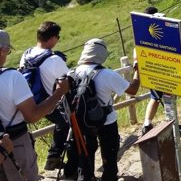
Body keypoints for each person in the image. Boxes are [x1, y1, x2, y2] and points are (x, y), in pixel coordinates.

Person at [0, 29, 70, 181]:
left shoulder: (27, 54)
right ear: (3, 50)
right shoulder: (11, 77)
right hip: (15, 142)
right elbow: (32, 116)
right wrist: (59, 93)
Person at [71, 38, 139, 181]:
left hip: (82, 121)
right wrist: (137, 73)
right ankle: (109, 177)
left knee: (86, 151)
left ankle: (86, 177)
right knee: (109, 152)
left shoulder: (72, 74)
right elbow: (132, 90)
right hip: (107, 120)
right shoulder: (107, 74)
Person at [19, 21, 77, 176]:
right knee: (66, 123)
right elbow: (70, 79)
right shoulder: (54, 59)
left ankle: (52, 157)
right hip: (47, 102)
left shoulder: (27, 53)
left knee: (61, 123)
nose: (58, 40)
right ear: (51, 38)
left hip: (28, 100)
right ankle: (55, 157)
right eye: (57, 37)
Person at [139, 6, 165, 136]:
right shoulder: (159, 31)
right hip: (163, 71)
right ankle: (171, 122)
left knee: (155, 98)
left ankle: (147, 124)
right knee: (162, 98)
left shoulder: (143, 32)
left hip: (150, 71)